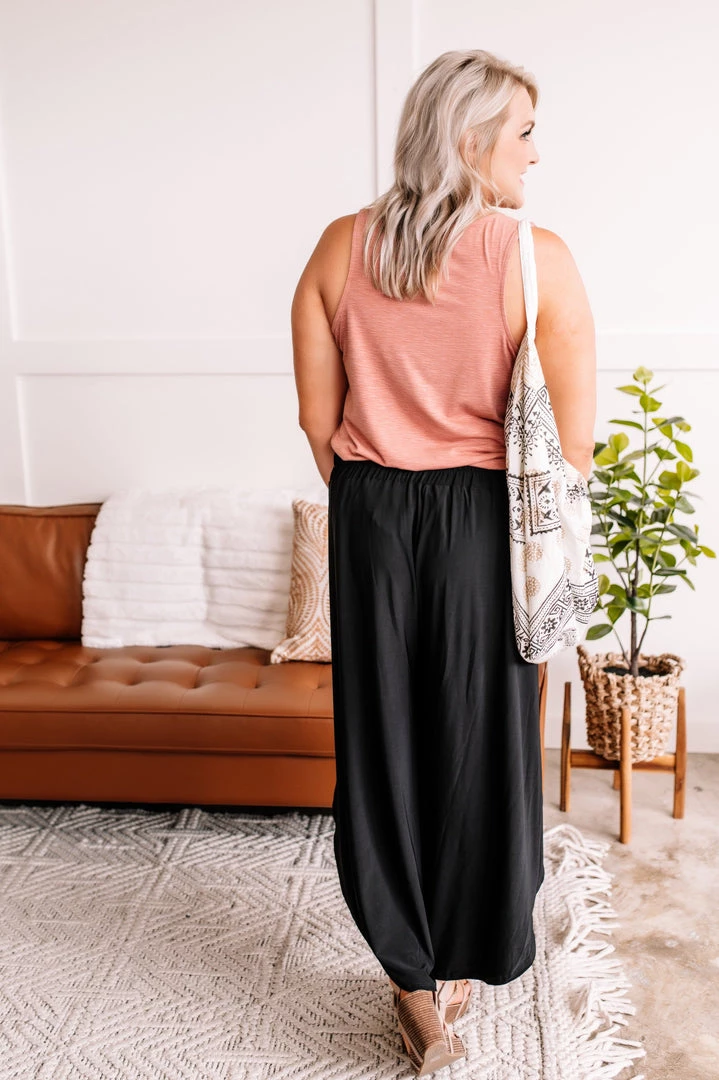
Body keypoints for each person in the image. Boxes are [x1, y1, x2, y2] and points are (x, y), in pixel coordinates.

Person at [291, 48, 596, 1077]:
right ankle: (460, 953)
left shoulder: (339, 246)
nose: (535, 154)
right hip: (482, 520)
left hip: (370, 515)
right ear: (469, 140)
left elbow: (318, 422)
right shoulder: (534, 258)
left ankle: (409, 975)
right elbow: (572, 448)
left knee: (381, 739)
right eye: (523, 133)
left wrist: (382, 498)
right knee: (479, 736)